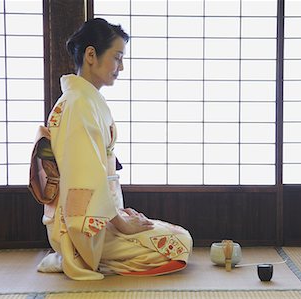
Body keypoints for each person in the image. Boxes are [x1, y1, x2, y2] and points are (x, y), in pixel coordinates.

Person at [36, 18, 192, 280]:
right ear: (90, 55)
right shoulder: (79, 104)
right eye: (117, 57)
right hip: (82, 226)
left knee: (176, 234)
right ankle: (77, 257)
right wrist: (120, 222)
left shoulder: (84, 100)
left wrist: (119, 215)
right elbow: (86, 178)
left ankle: (84, 253)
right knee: (180, 244)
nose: (121, 67)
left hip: (96, 214)